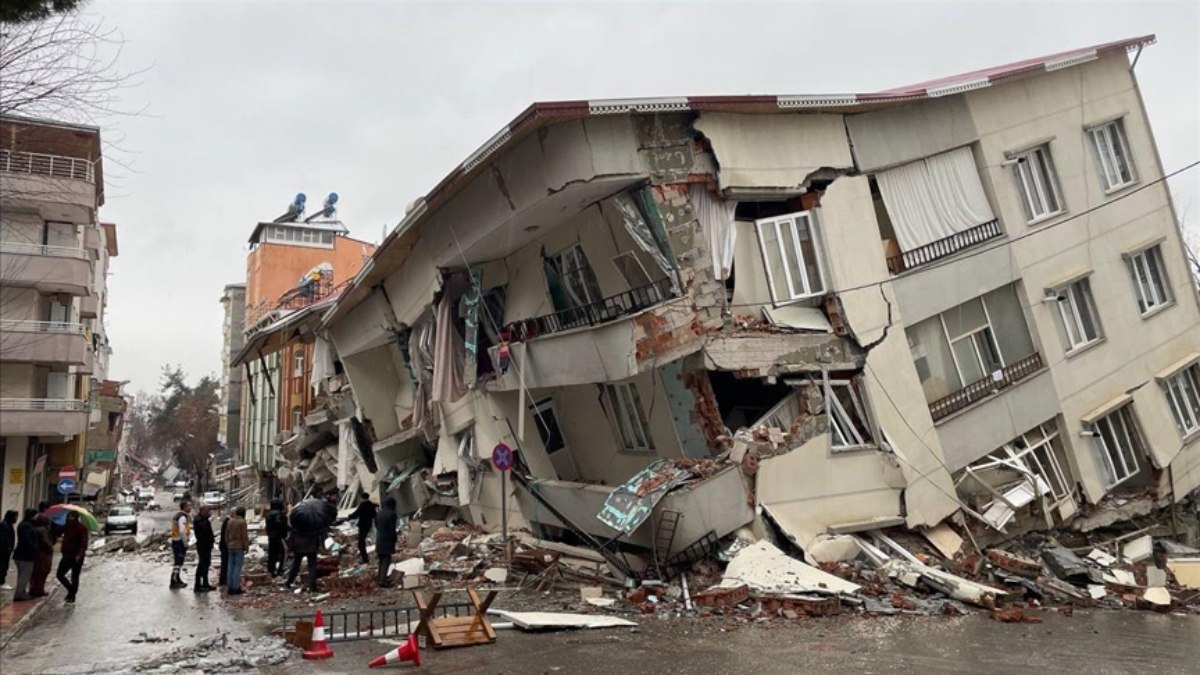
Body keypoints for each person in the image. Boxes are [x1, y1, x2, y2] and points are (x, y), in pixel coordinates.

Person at [56, 511, 88, 603]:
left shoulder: (81, 528)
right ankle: (71, 590)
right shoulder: (67, 526)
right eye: (69, 516)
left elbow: (83, 543)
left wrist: (79, 554)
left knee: (75, 576)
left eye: (72, 517)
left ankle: (72, 595)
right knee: (60, 574)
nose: (70, 518)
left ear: (76, 518)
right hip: (66, 555)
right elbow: (58, 531)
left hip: (77, 556)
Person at [11, 509, 38, 601]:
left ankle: (22, 592)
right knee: (25, 576)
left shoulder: (25, 524)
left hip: (21, 554)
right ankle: (19, 595)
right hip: (25, 555)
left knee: (22, 575)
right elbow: (27, 541)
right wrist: (34, 547)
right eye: (35, 515)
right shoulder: (26, 526)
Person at [284, 529, 320, 593]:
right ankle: (312, 586)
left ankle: (289, 582)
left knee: (295, 565)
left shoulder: (298, 520)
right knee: (312, 567)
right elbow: (318, 532)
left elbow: (293, 532)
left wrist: (291, 546)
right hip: (311, 545)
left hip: (299, 545)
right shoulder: (313, 520)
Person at [29, 501, 53, 597]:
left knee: (35, 573)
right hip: (43, 554)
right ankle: (38, 590)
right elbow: (46, 542)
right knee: (42, 573)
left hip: (37, 553)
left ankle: (34, 589)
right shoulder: (43, 530)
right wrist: (51, 547)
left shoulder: (35, 527)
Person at [346, 492, 377, 565]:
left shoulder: (362, 505)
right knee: (362, 540)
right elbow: (374, 515)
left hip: (363, 525)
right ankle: (364, 557)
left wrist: (349, 516)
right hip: (369, 524)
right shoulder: (371, 505)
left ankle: (365, 558)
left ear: (362, 498)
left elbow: (356, 513)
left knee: (361, 542)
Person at [225, 507, 249, 595]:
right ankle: (235, 587)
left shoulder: (230, 521)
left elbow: (226, 535)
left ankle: (230, 587)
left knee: (230, 567)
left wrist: (228, 544)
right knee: (237, 568)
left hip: (231, 546)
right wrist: (246, 547)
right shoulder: (242, 522)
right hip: (239, 546)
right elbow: (244, 536)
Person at [169, 500, 193, 589]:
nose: (190, 508)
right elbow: (182, 531)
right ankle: (174, 580)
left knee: (179, 562)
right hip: (179, 541)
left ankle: (177, 579)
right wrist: (185, 542)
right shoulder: (182, 517)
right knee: (178, 562)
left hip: (176, 540)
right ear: (184, 507)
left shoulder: (178, 516)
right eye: (189, 506)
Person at [375, 497, 398, 587]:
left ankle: (380, 577)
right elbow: (392, 529)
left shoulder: (379, 513)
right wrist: (394, 538)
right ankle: (383, 580)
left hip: (379, 538)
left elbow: (376, 525)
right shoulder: (392, 514)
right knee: (386, 560)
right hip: (387, 539)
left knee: (381, 559)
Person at [193, 505, 216, 593]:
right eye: (208, 511)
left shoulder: (203, 520)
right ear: (203, 511)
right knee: (202, 565)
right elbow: (204, 533)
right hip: (203, 546)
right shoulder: (200, 520)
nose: (209, 513)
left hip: (206, 545)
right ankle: (198, 585)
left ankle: (205, 583)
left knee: (206, 564)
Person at [264, 500, 289, 578]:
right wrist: (289, 529)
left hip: (271, 537)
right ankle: (280, 570)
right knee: (284, 552)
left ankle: (271, 570)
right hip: (279, 537)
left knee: (272, 554)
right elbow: (281, 525)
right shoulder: (280, 515)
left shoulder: (268, 515)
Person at [0, 510, 16, 590]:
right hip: (4, 551)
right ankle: (1, 582)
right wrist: (7, 548)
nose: (16, 519)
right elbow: (4, 539)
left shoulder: (8, 525)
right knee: (3, 566)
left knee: (5, 565)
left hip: (7, 550)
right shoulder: (4, 525)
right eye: (15, 516)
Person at [217, 511, 230, 587]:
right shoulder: (228, 522)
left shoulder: (226, 522)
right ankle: (224, 580)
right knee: (225, 563)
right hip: (225, 546)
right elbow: (226, 536)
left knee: (224, 563)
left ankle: (223, 580)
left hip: (223, 545)